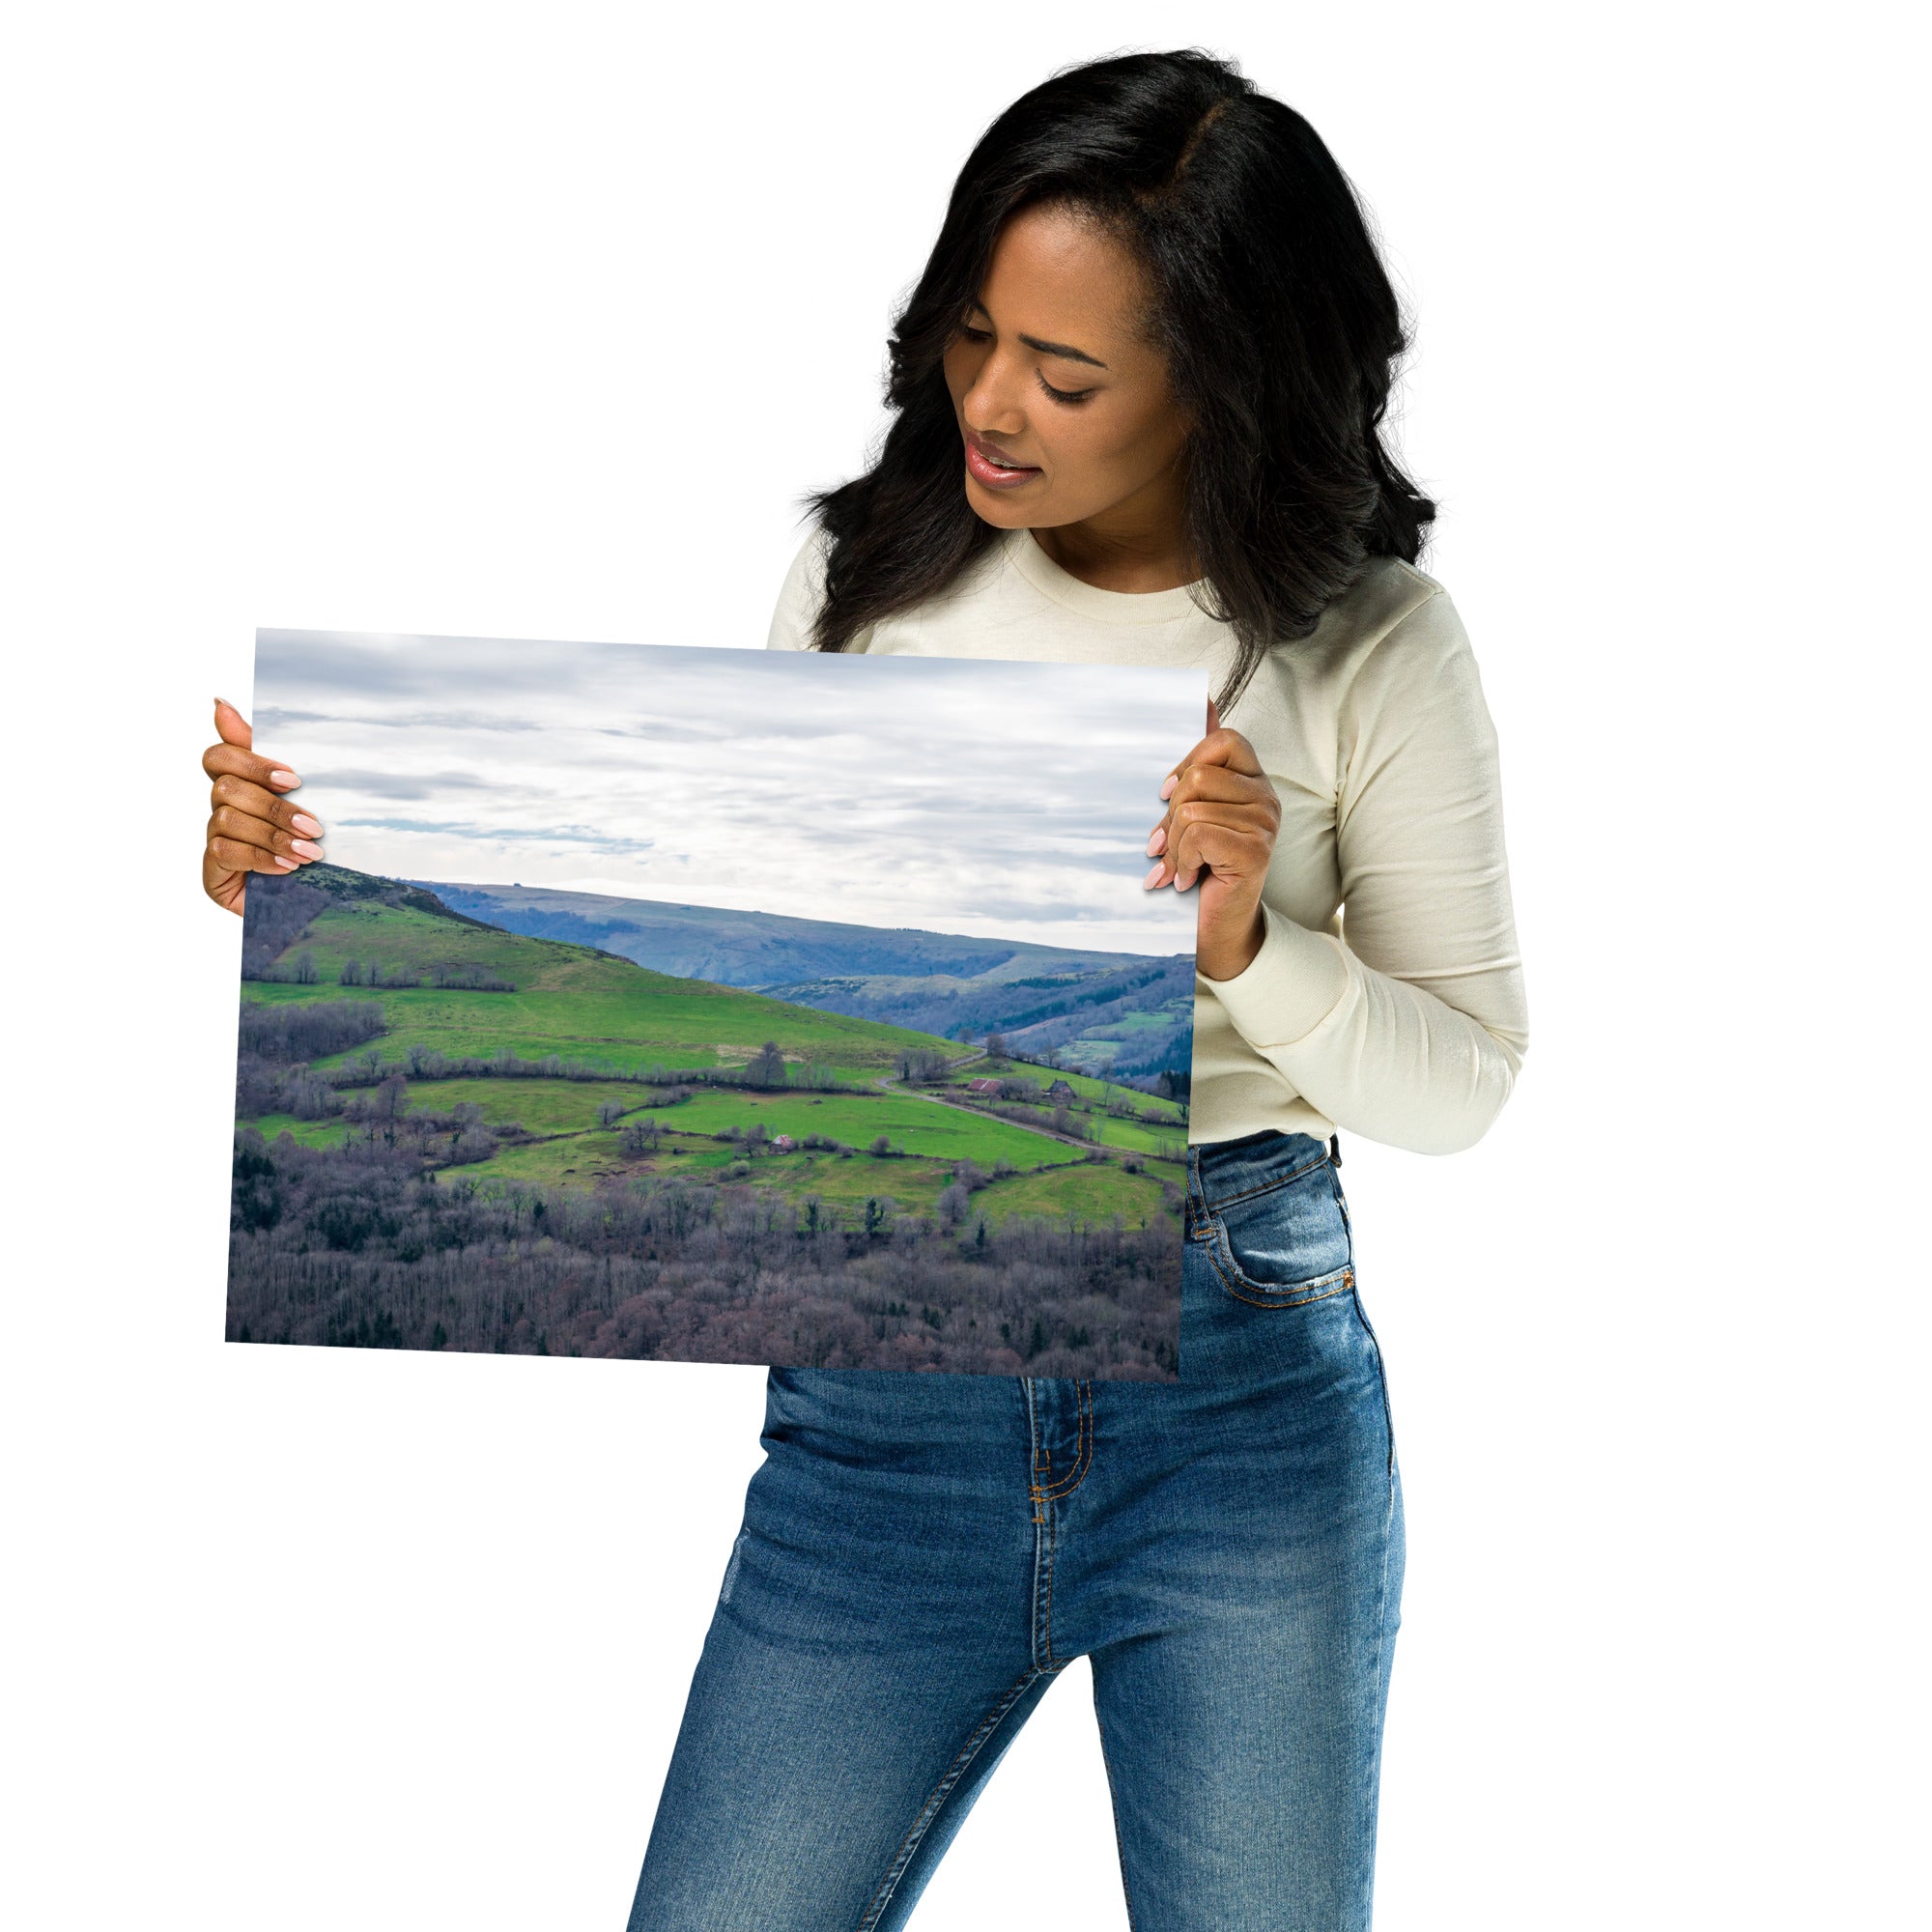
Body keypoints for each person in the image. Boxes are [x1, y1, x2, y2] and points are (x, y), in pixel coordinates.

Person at [200, 48, 1528, 1932]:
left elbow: (1464, 1082)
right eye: (971, 335)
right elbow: (722, 948)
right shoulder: (860, 577)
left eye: (1064, 375)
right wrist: (319, 870)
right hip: (880, 1423)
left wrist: (1245, 943)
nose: (991, 402)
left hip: (1236, 1394)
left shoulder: (1372, 640)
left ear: (1222, 380)